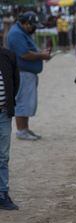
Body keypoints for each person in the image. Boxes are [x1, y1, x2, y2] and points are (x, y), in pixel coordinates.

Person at [7, 11, 51, 141]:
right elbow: (24, 54)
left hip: (27, 73)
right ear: (26, 23)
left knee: (27, 102)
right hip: (22, 73)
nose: (34, 28)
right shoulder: (16, 34)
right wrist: (42, 55)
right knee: (22, 102)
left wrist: (40, 53)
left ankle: (25, 128)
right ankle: (21, 130)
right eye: (33, 25)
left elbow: (28, 51)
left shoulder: (21, 32)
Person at [0, 47, 20, 210]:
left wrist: (9, 103)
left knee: (3, 156)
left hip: (4, 113)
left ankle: (2, 193)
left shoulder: (7, 55)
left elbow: (15, 82)